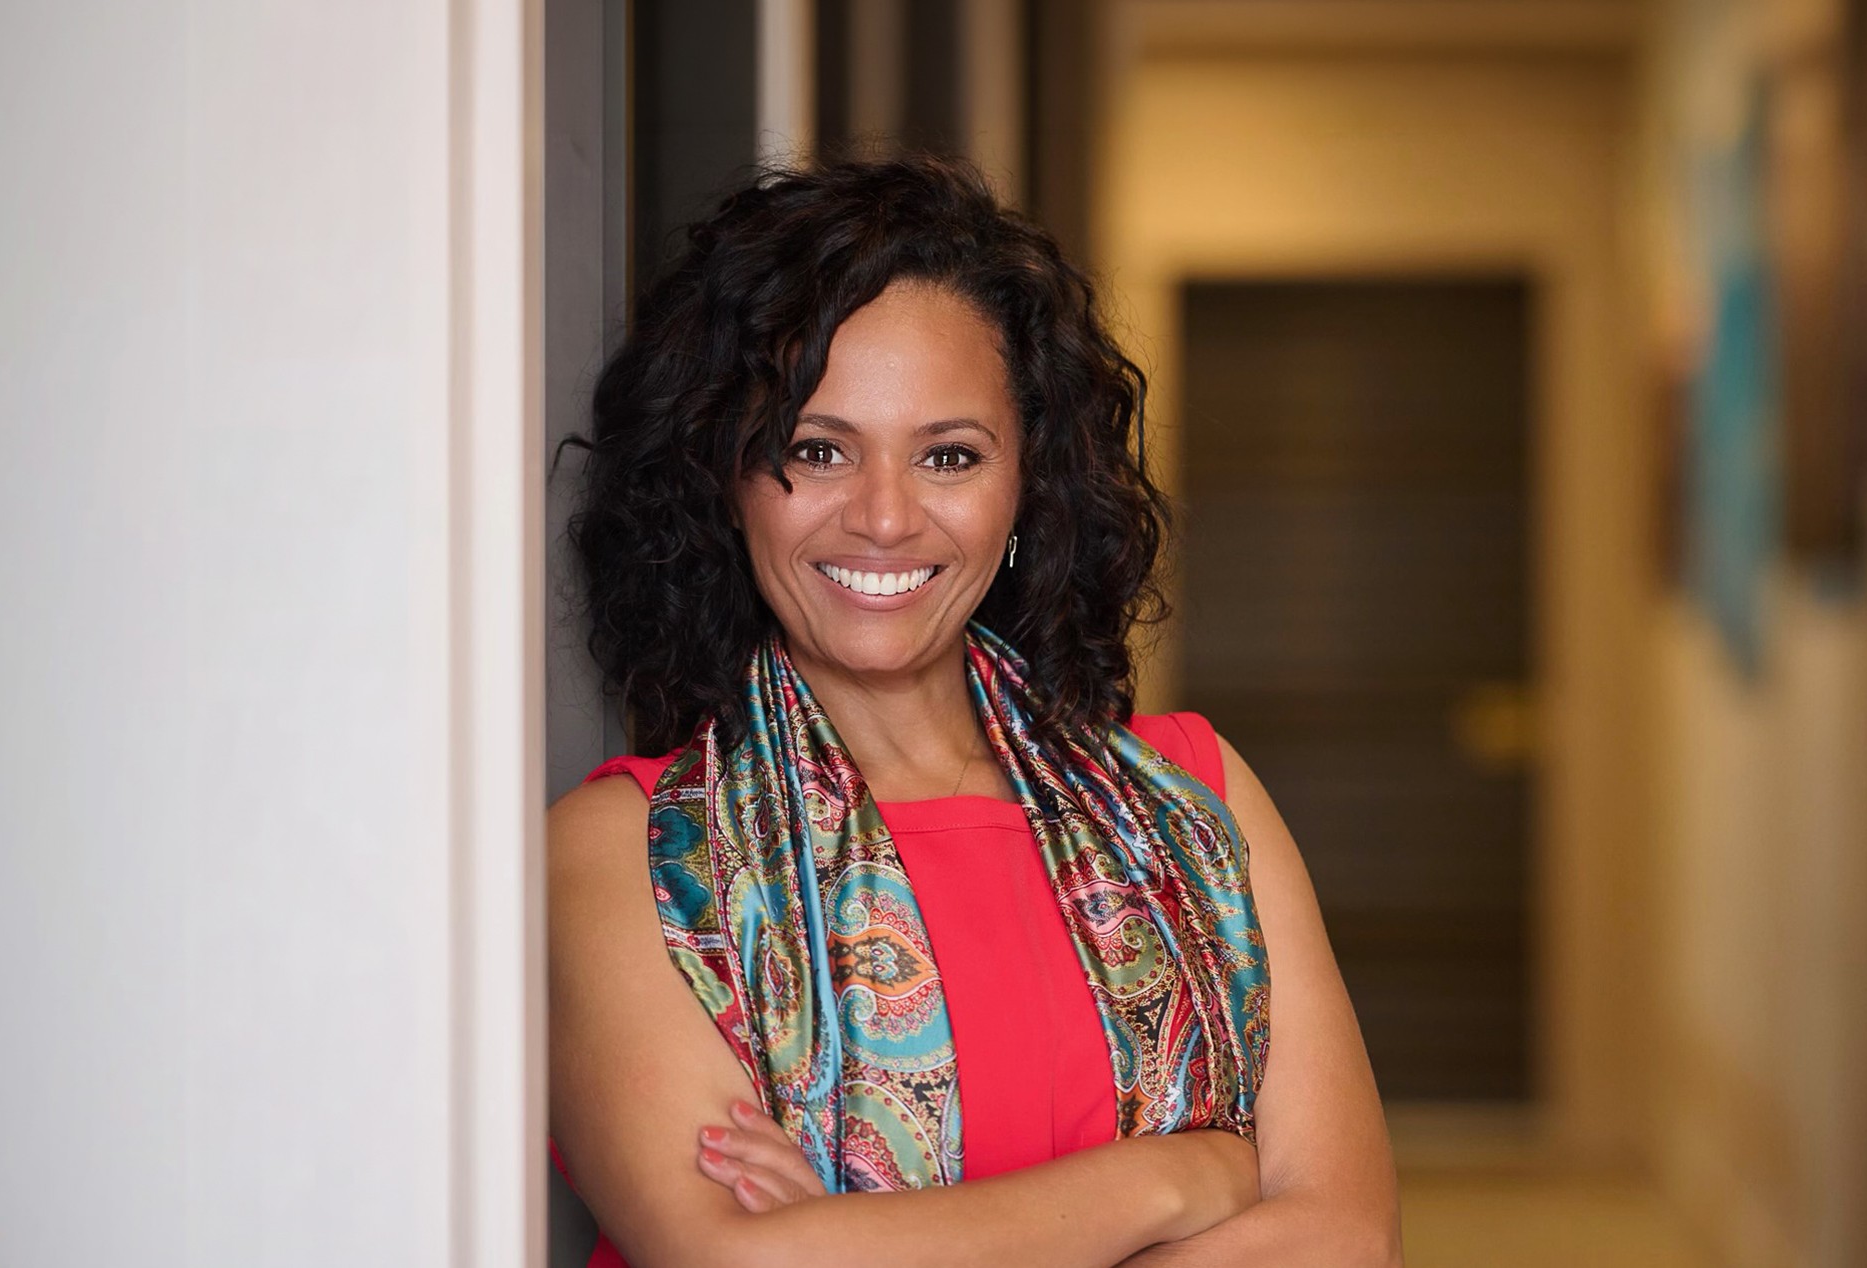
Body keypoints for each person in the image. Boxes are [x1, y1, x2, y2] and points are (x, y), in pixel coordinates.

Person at [548, 155, 1400, 1268]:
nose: (886, 517)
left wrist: (861, 1240)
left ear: (1026, 485)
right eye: (817, 449)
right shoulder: (625, 855)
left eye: (949, 454)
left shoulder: (1201, 799)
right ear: (725, 474)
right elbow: (743, 1259)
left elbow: (1345, 1238)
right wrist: (1173, 1176)